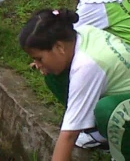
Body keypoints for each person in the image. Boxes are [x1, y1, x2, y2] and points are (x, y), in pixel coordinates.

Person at [19, 9, 130, 160]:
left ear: (59, 47)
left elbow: (69, 136)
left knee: (108, 110)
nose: (37, 65)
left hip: (122, 107)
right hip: (120, 95)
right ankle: (96, 132)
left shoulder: (87, 65)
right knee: (54, 75)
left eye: (40, 59)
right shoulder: (80, 34)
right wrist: (45, 63)